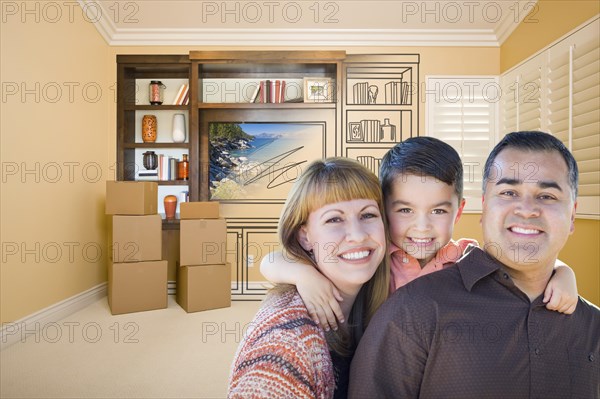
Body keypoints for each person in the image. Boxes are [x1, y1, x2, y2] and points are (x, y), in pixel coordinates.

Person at [348, 131, 600, 398]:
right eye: (509, 192)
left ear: (572, 215)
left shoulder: (591, 325)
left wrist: (563, 270)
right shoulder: (398, 295)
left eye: (547, 196)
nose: (527, 210)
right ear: (484, 208)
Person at [261, 137, 578, 332]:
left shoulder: (467, 256)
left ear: (459, 210)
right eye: (405, 211)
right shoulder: (372, 258)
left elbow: (518, 266)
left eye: (438, 211)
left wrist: (564, 272)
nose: (422, 228)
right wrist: (303, 275)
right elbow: (271, 261)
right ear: (383, 209)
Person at [228, 158, 389, 399]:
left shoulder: (382, 294)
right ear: (305, 237)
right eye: (334, 219)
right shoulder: (285, 342)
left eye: (368, 215)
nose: (357, 235)